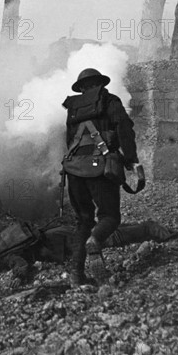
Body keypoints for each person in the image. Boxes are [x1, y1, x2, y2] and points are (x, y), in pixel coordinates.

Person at [62, 68, 139, 285]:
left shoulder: (72, 108)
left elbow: (69, 140)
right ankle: (95, 241)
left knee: (83, 220)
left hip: (74, 169)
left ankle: (76, 276)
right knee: (110, 217)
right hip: (99, 167)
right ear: (100, 84)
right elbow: (124, 127)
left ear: (82, 88)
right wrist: (131, 158)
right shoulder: (109, 100)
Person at [0, 220, 178, 285]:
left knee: (106, 240)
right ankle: (150, 228)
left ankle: (151, 230)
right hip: (56, 235)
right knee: (103, 233)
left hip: (62, 243)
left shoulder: (7, 257)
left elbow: (22, 267)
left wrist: (16, 278)